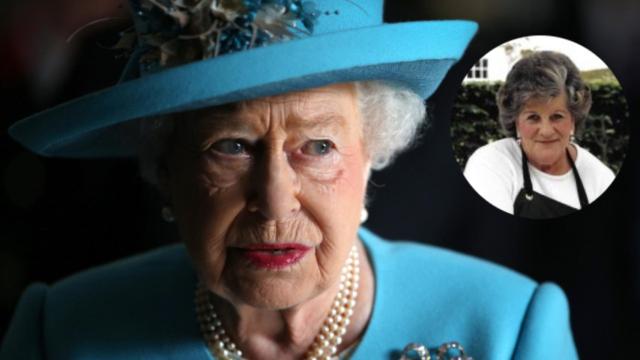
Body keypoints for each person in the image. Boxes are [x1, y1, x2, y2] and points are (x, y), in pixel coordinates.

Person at [1, 1, 576, 359]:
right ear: (166, 170)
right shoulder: (63, 332)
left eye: (318, 146)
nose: (274, 201)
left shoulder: (507, 327)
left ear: (372, 149)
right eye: (230, 146)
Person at [464, 51, 615, 219]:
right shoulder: (491, 162)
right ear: (516, 122)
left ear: (573, 119)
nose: (546, 131)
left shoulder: (601, 179)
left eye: (557, 116)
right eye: (533, 117)